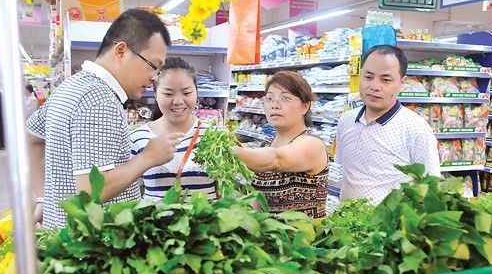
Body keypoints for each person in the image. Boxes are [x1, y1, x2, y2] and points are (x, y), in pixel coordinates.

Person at [27, 8, 184, 230]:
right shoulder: (99, 99)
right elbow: (91, 191)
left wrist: (44, 197)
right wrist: (148, 157)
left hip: (66, 235)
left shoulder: (72, 85)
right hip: (93, 244)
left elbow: (31, 137)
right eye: (153, 66)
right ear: (121, 51)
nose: (154, 78)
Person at [335, 45, 440, 205]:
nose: (374, 86)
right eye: (368, 77)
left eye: (385, 80)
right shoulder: (346, 121)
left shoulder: (415, 128)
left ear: (402, 83)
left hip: (388, 228)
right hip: (346, 223)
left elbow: (431, 186)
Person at [233, 71, 328, 218]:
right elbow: (256, 203)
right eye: (269, 98)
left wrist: (226, 150)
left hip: (305, 238)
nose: (275, 105)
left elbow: (276, 160)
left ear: (305, 107)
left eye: (285, 98)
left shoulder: (312, 144)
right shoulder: (266, 145)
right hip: (272, 237)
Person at [130, 57, 217, 200]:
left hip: (207, 221)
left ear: (196, 92)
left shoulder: (214, 136)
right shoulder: (137, 139)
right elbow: (133, 194)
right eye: (168, 94)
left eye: (187, 93)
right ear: (155, 95)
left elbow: (225, 190)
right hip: (155, 222)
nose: (178, 101)